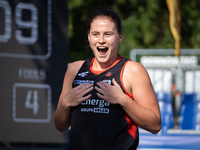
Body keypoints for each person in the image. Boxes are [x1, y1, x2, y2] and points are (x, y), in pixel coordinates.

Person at [54, 9, 161, 150]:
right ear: (89, 37)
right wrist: (66, 103)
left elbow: (155, 125)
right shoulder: (75, 70)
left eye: (108, 34)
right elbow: (59, 126)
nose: (101, 40)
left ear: (120, 37)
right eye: (95, 34)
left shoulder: (133, 71)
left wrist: (122, 100)